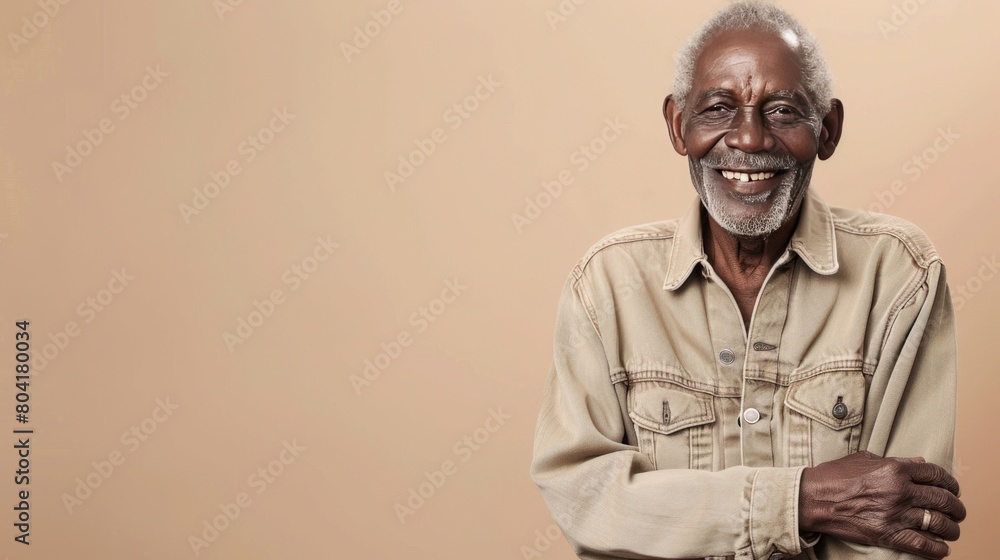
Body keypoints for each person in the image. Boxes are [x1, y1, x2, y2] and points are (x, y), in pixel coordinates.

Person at [529, 2, 966, 559]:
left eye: (783, 111)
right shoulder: (608, 284)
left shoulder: (900, 275)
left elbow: (902, 530)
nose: (750, 140)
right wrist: (801, 500)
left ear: (827, 130)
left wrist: (680, 512)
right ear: (676, 124)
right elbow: (587, 499)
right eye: (717, 108)